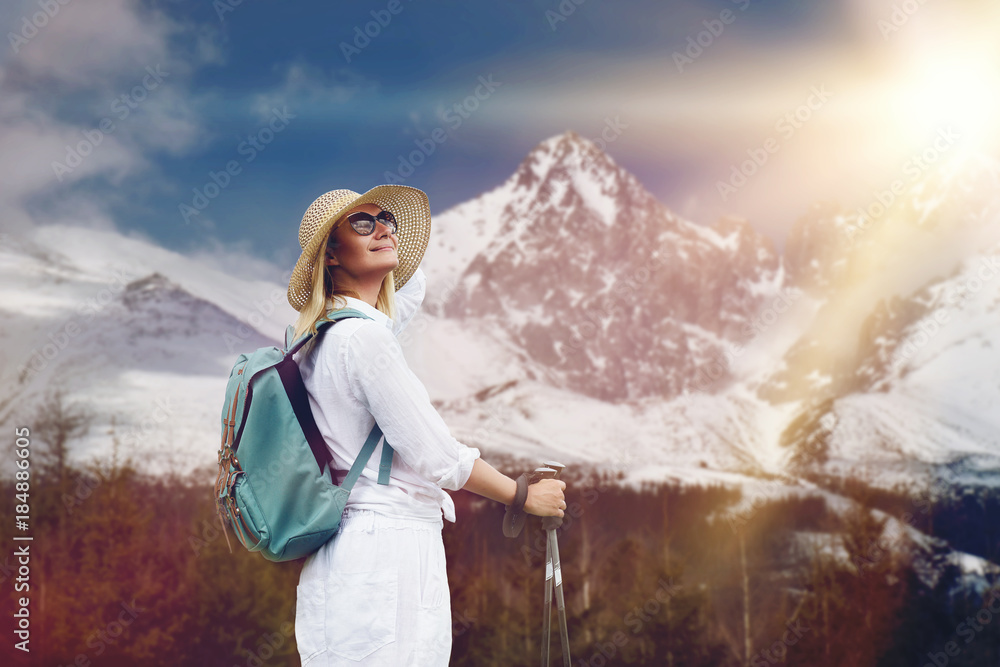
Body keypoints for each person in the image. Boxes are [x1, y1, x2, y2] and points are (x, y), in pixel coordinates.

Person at [285, 185, 567, 666]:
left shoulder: (317, 335)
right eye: (361, 223)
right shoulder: (366, 341)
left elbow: (406, 296)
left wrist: (385, 254)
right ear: (331, 254)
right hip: (388, 555)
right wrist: (522, 496)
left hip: (342, 558)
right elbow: (439, 459)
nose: (384, 229)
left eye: (389, 219)